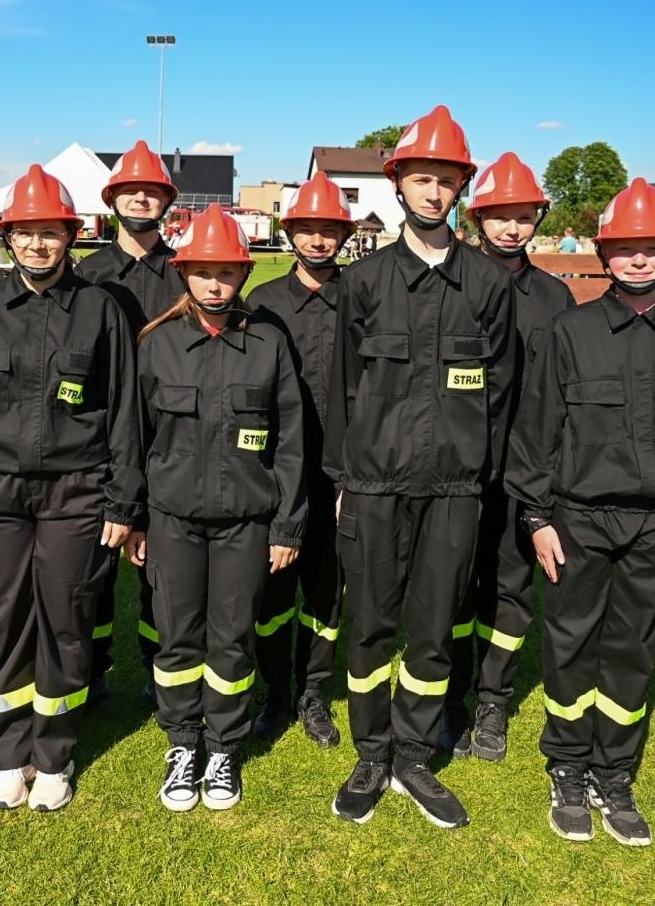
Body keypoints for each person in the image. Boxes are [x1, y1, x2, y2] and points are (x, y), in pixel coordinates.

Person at [506, 179, 655, 848]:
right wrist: (538, 519)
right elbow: (536, 430)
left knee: (630, 652)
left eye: (653, 248)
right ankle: (568, 769)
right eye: (626, 249)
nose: (639, 260)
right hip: (575, 519)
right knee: (570, 644)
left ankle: (615, 773)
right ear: (605, 254)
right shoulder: (569, 332)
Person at [324, 105, 514, 828]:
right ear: (398, 183)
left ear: (461, 188)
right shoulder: (364, 282)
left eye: (447, 181)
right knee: (370, 627)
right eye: (421, 179)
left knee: (433, 630)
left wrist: (478, 483)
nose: (434, 193)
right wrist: (344, 480)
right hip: (373, 485)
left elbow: (500, 393)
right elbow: (344, 387)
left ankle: (413, 756)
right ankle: (371, 753)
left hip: (453, 490)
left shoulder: (488, 286)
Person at [0, 165, 143, 812]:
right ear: (6, 239)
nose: (37, 245)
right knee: (6, 620)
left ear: (70, 237)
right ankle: (9, 754)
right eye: (25, 234)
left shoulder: (100, 310)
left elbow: (125, 410)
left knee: (65, 621)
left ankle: (54, 756)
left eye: (50, 233)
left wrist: (122, 502)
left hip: (76, 493)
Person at [128, 204, 306, 812]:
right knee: (178, 638)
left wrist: (286, 525)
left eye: (226, 272)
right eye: (202, 271)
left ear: (242, 275)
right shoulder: (156, 346)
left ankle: (223, 747)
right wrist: (134, 516)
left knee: (231, 639)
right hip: (172, 521)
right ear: (184, 274)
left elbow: (290, 443)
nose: (214, 283)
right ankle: (183, 745)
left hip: (246, 524)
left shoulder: (269, 346)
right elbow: (133, 439)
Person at [441, 152, 577, 764]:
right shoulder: (451, 279)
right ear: (478, 219)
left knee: (511, 586)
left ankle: (492, 699)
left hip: (527, 465)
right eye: (500, 217)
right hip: (455, 460)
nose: (512, 229)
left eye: (524, 218)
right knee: (450, 583)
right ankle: (447, 698)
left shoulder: (555, 298)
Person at [75, 140, 186, 702]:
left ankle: (155, 663)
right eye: (130, 190)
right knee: (93, 565)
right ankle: (91, 667)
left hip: (171, 432)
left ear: (166, 200)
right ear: (113, 197)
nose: (141, 198)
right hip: (100, 435)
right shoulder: (87, 274)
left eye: (152, 191)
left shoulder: (186, 272)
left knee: (158, 563)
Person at [248, 172, 352, 748]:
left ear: (343, 235)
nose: (318, 241)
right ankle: (276, 691)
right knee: (271, 591)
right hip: (274, 470)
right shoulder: (263, 302)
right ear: (291, 234)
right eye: (308, 230)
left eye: (328, 230)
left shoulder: (360, 298)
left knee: (325, 590)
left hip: (339, 471)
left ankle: (313, 693)